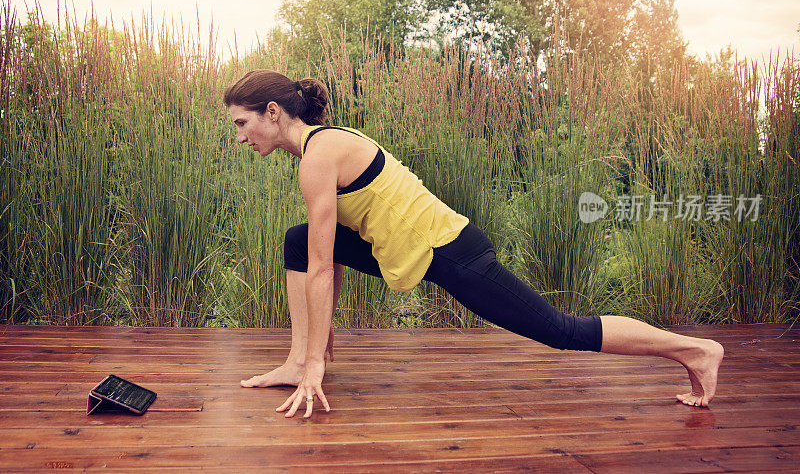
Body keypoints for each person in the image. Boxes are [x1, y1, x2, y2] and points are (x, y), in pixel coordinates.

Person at [225, 70, 725, 419]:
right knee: (298, 239)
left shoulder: (318, 154)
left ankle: (695, 350)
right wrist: (310, 354)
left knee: (559, 330)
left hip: (453, 253)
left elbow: (320, 268)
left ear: (272, 112)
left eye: (242, 124)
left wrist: (320, 364)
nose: (241, 138)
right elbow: (321, 253)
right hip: (412, 251)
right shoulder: (319, 149)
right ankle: (295, 362)